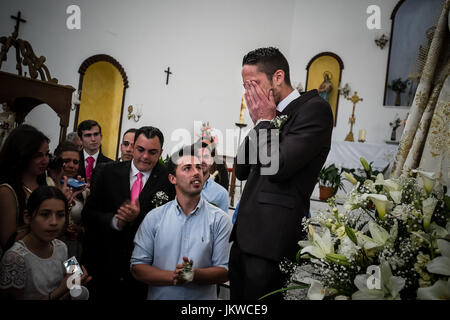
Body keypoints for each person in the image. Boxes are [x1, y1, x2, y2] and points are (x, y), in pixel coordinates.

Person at [229, 47, 333, 300]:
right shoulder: (267, 115)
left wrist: (265, 121)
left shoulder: (314, 109)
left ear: (278, 77)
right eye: (245, 86)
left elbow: (279, 167)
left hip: (271, 239)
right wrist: (260, 123)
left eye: (254, 84)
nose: (249, 94)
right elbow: (242, 169)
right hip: (244, 237)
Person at [81, 126, 175, 300]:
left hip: (141, 270)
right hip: (104, 262)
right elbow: (88, 214)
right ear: (133, 147)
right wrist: (116, 221)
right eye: (140, 150)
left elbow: (169, 222)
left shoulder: (168, 180)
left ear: (161, 152)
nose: (145, 156)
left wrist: (138, 216)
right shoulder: (107, 172)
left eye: (152, 152)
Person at [130, 145, 232, 300]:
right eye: (187, 168)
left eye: (198, 167)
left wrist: (194, 274)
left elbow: (225, 271)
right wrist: (175, 276)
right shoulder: (155, 218)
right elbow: (137, 267)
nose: (196, 172)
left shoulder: (219, 220)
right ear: (173, 178)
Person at [0, 186, 91, 299]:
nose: (54, 222)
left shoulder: (61, 246)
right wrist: (61, 289)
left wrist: (78, 279)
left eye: (60, 215)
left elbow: (73, 271)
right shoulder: (15, 259)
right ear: (28, 217)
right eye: (45, 214)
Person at [0, 125, 50, 258]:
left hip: (52, 256)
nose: (45, 161)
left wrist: (75, 274)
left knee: (77, 276)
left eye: (47, 154)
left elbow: (59, 244)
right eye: (38, 155)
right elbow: (8, 243)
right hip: (24, 262)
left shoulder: (47, 183)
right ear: (22, 155)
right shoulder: (7, 191)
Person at [196, 142, 229, 213]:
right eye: (198, 157)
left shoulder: (221, 194)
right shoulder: (183, 187)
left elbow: (222, 222)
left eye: (205, 157)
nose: (202, 160)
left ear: (211, 161)